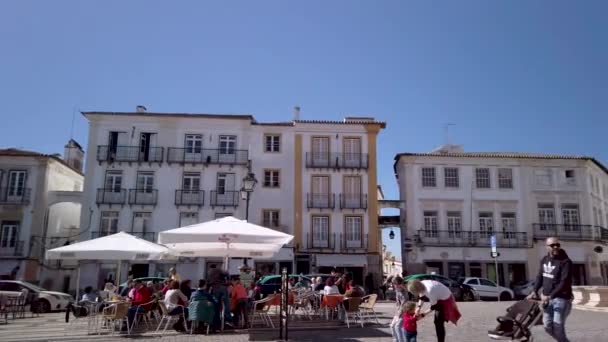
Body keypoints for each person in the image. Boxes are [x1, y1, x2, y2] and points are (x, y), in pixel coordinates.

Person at [527, 237, 573, 342]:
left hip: (561, 299)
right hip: (547, 301)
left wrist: (550, 296)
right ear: (547, 247)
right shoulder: (544, 259)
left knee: (557, 326)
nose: (555, 247)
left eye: (557, 245)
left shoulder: (566, 262)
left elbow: (564, 281)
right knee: (547, 326)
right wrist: (534, 291)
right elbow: (540, 276)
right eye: (552, 245)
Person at [390, 277, 408, 342]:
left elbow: (404, 303)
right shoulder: (397, 290)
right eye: (393, 283)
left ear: (399, 284)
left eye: (394, 283)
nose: (393, 285)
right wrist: (397, 313)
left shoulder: (403, 291)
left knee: (397, 327)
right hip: (398, 311)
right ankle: (396, 340)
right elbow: (398, 303)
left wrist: (400, 314)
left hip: (404, 311)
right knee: (392, 326)